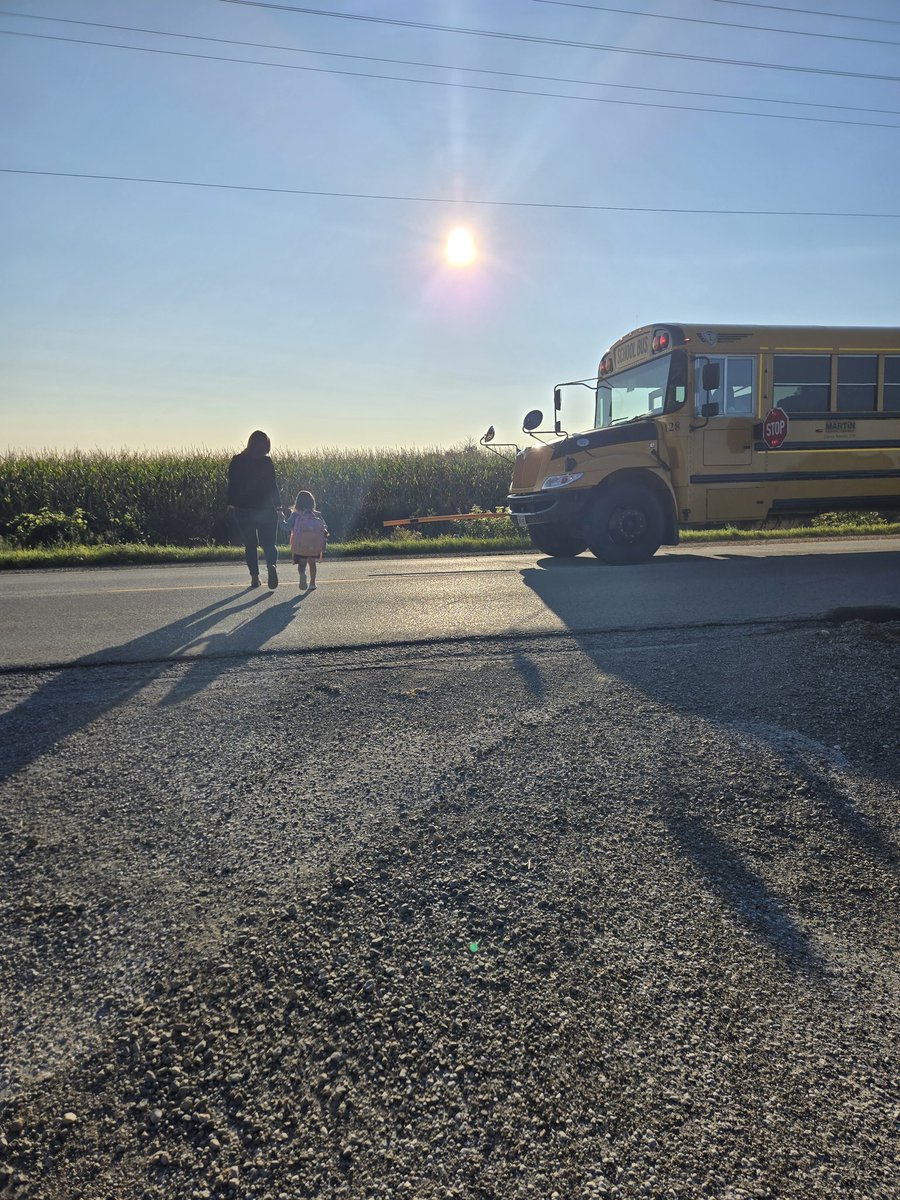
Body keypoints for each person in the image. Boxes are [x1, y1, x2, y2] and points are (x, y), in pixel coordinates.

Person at [227, 430, 284, 589]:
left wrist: (231, 504)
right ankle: (271, 565)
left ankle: (254, 577)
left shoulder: (237, 460)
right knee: (269, 544)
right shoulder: (266, 462)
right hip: (266, 508)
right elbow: (273, 486)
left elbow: (232, 484)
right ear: (266, 445)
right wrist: (279, 507)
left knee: (250, 545)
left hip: (243, 508)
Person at [283, 490, 328, 591]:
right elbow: (324, 527)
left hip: (300, 544)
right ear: (312, 502)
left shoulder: (295, 515)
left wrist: (280, 519)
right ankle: (312, 583)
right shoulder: (317, 514)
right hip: (314, 543)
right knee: (312, 563)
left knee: (302, 564)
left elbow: (286, 527)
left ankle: (302, 575)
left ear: (297, 502)